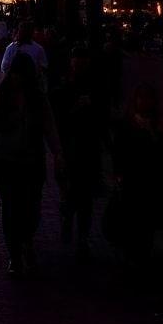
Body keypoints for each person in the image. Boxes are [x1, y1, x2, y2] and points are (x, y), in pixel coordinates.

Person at [0, 54, 63, 278]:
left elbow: (49, 126)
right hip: (7, 160)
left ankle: (26, 241)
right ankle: (15, 253)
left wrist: (57, 152)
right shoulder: (2, 97)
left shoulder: (38, 98)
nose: (17, 78)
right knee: (10, 207)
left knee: (30, 206)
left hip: (31, 160)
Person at [50, 46, 106, 263]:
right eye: (77, 59)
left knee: (84, 194)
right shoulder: (65, 86)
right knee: (75, 191)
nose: (79, 63)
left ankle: (80, 232)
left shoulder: (92, 86)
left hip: (85, 147)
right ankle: (70, 218)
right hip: (71, 146)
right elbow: (58, 115)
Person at [111, 83, 163, 271]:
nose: (144, 102)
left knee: (146, 222)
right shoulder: (127, 125)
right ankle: (133, 256)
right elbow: (118, 151)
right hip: (133, 180)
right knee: (134, 220)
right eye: (141, 98)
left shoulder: (157, 125)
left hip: (149, 180)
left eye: (147, 98)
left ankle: (140, 257)